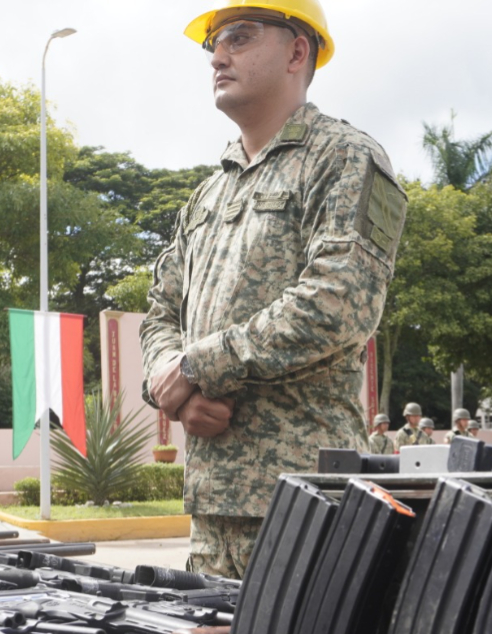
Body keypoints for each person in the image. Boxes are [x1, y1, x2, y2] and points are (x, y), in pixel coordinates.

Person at [140, 0, 404, 579]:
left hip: (304, 500)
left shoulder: (346, 158)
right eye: (213, 44)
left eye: (238, 37)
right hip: (212, 507)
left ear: (296, 50)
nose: (217, 56)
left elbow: (339, 302)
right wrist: (176, 389)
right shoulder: (208, 193)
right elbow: (161, 312)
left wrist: (199, 367)